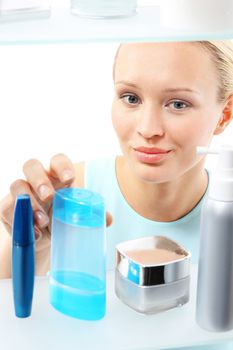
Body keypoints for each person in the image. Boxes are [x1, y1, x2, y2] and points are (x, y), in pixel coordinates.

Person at [0, 40, 233, 349]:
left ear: (224, 114)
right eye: (131, 98)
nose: (148, 129)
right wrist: (38, 246)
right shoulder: (69, 195)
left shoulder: (224, 215)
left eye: (178, 104)